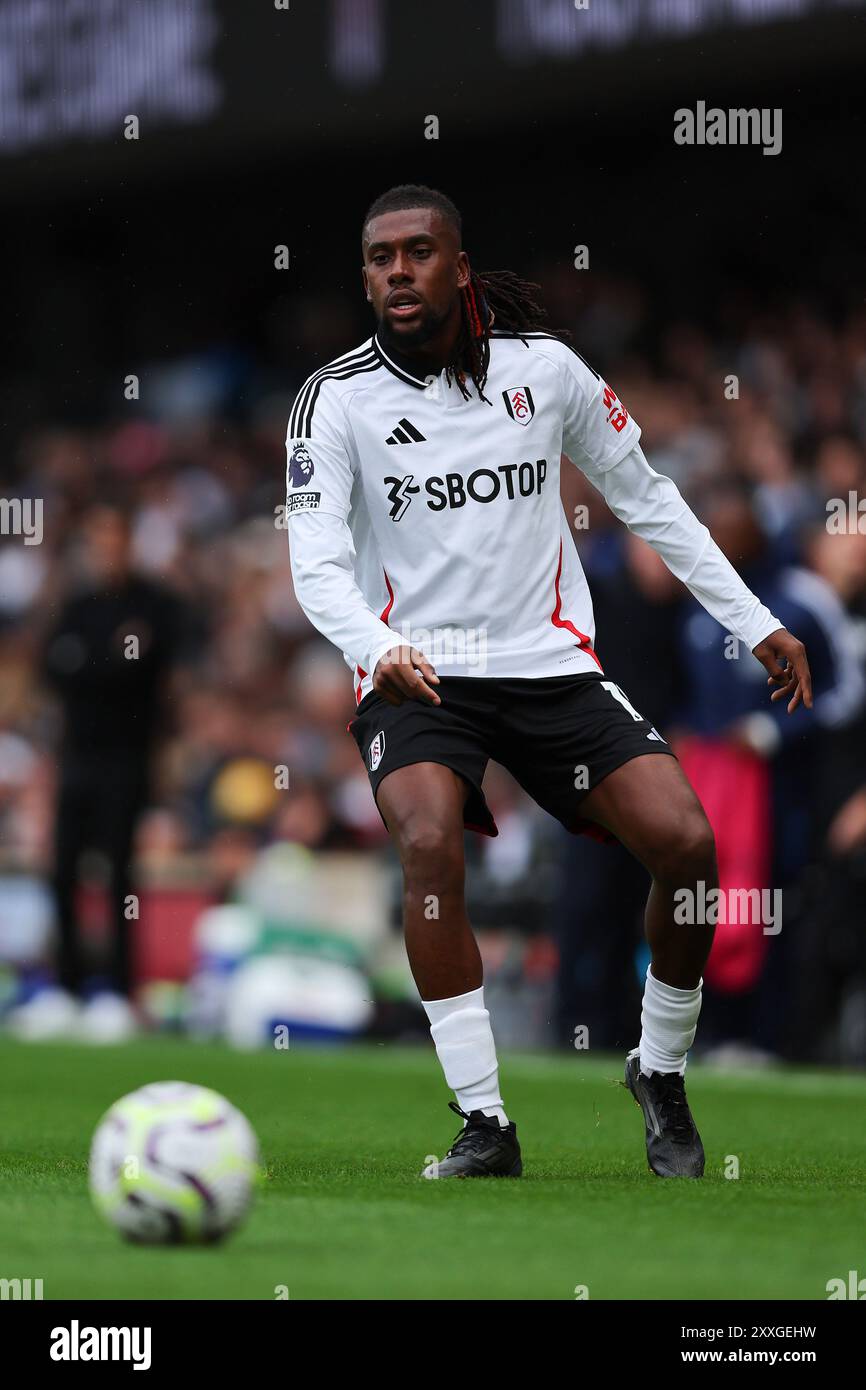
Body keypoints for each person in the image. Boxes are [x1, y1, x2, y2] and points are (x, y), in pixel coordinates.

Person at [285, 184, 812, 1179]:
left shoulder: (548, 373)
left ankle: (657, 1070)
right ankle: (483, 1120)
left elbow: (647, 501)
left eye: (417, 252)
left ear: (457, 266)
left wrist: (756, 622)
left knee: (688, 848)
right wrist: (373, 645)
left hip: (547, 662)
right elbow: (312, 563)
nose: (396, 272)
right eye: (378, 257)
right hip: (415, 668)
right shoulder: (334, 399)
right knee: (431, 844)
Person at [32, 503, 185, 1041]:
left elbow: (146, 668)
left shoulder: (154, 603)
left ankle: (119, 992)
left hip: (128, 761)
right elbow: (55, 667)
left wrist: (93, 665)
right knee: (62, 872)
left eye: (114, 539)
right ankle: (66, 989)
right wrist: (107, 665)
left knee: (120, 876)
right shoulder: (76, 606)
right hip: (78, 759)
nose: (106, 550)